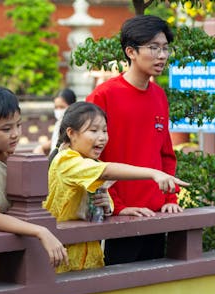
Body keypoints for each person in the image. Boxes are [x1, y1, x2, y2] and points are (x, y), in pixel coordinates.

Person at [43, 102, 188, 273]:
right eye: (94, 130)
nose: (102, 137)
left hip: (87, 258)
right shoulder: (65, 160)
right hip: (60, 260)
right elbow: (106, 171)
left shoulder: (89, 163)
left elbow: (98, 206)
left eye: (104, 130)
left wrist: (108, 207)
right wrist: (154, 173)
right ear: (71, 133)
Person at [86, 15, 180, 265]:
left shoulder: (159, 95)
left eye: (165, 48)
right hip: (119, 218)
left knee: (153, 290)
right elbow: (88, 159)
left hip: (156, 214)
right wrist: (116, 206)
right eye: (153, 47)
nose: (162, 55)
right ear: (131, 52)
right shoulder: (102, 96)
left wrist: (170, 199)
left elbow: (166, 155)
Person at [0, 87, 68, 285]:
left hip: (14, 259)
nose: (16, 134)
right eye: (6, 129)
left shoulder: (13, 158)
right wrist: (40, 231)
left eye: (18, 125)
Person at [33, 88, 76, 156]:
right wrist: (41, 147)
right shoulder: (58, 123)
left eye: (62, 107)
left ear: (72, 106)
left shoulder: (74, 127)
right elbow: (56, 141)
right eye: (56, 107)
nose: (58, 110)